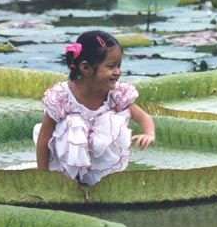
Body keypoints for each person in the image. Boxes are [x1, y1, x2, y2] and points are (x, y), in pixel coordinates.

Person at [34, 30, 155, 186]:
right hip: (67, 158)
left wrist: (149, 134)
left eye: (119, 66)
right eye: (111, 67)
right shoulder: (63, 97)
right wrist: (43, 176)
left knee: (112, 121)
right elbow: (44, 139)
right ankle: (72, 179)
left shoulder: (114, 93)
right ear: (85, 68)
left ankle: (98, 180)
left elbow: (143, 117)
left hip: (98, 158)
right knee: (74, 124)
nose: (117, 72)